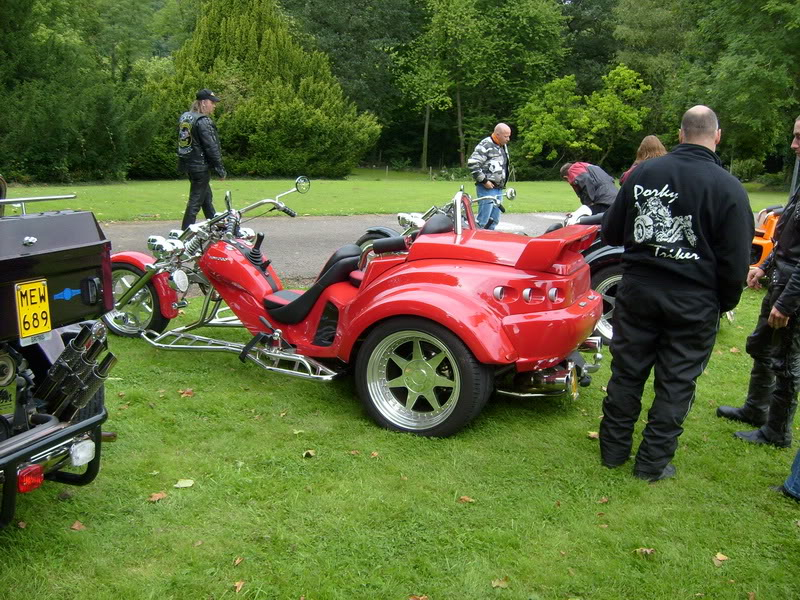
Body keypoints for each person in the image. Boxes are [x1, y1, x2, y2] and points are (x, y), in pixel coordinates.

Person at [598, 105, 754, 482]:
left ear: (681, 134)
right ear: (717, 137)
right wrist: (724, 302)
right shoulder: (729, 188)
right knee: (677, 381)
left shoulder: (644, 172)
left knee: (627, 372)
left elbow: (611, 232)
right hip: (693, 299)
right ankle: (651, 464)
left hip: (639, 291)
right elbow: (736, 262)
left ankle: (613, 451)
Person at [717, 116, 800, 449]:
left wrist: (787, 302)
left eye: (799, 138)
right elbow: (788, 238)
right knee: (761, 346)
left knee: (786, 361)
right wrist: (764, 265)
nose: (793, 144)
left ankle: (777, 432)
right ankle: (755, 409)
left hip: (793, 290)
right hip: (781, 279)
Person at [177, 88, 226, 230]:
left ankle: (217, 226)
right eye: (212, 102)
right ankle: (185, 234)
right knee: (195, 202)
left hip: (189, 164)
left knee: (206, 199)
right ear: (204, 102)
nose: (214, 105)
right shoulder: (203, 121)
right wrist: (220, 169)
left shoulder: (186, 117)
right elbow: (211, 147)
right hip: (200, 166)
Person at [467, 123, 511, 229]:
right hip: (487, 189)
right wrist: (484, 181)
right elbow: (472, 163)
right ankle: (476, 242)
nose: (508, 139)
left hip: (499, 189)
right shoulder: (486, 145)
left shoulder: (502, 146)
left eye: (509, 136)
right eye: (506, 136)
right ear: (497, 134)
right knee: (483, 221)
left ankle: (489, 243)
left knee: (494, 221)